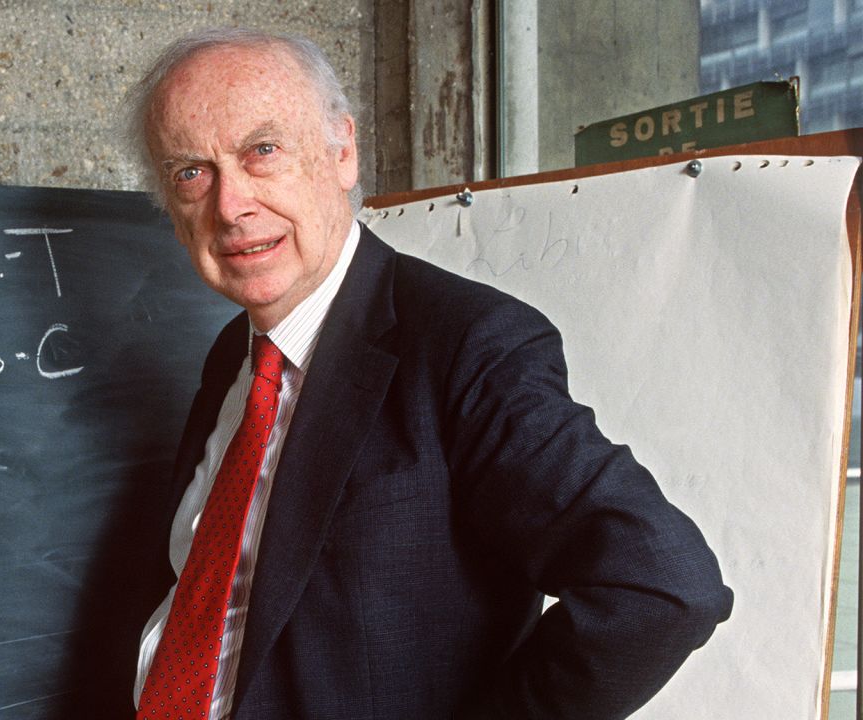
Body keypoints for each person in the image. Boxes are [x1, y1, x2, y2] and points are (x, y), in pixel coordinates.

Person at [125, 27, 732, 719]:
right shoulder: (232, 360)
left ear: (341, 150)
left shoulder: (468, 346)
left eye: (262, 151)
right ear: (173, 211)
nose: (231, 205)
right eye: (191, 172)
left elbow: (662, 585)